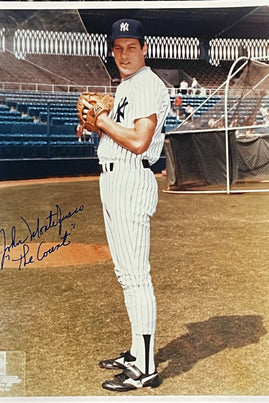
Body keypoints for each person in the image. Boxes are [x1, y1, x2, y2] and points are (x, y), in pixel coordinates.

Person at [91, 18, 170, 392]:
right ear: (111, 50)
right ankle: (138, 352)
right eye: (117, 48)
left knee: (136, 276)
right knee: (127, 276)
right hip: (114, 178)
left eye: (131, 47)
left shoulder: (147, 84)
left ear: (144, 48)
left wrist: (102, 121)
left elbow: (139, 141)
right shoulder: (128, 85)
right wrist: (95, 124)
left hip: (130, 178)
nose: (124, 54)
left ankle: (146, 367)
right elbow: (116, 131)